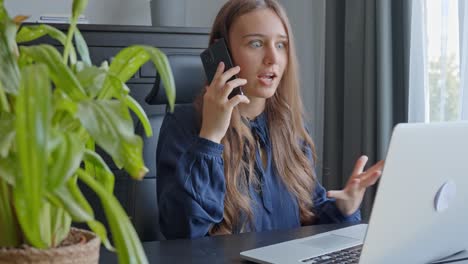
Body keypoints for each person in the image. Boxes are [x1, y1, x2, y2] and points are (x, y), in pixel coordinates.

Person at [156, 0, 384, 240]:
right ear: (221, 52)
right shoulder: (185, 124)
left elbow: (310, 214)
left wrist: (344, 208)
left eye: (281, 45)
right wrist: (210, 138)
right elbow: (182, 233)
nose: (272, 58)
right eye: (256, 43)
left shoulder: (288, 126)